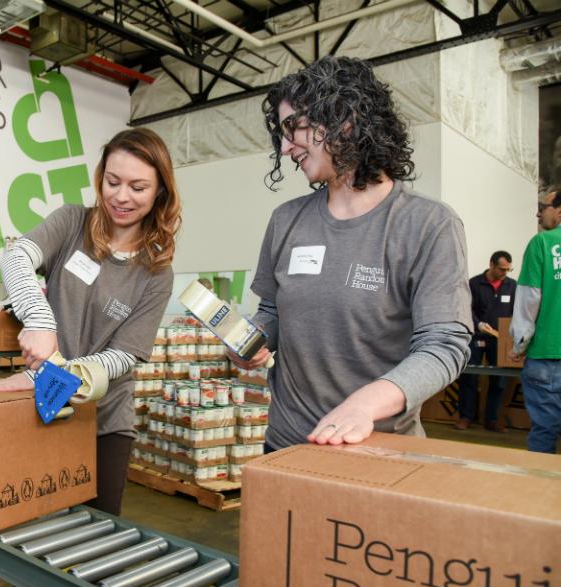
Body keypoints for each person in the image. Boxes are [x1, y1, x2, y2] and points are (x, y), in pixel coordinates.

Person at [0, 127, 180, 587]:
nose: (121, 196)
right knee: (29, 541)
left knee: (100, 553)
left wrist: (77, 374)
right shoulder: (72, 223)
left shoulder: (156, 271)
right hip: (38, 414)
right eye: (113, 180)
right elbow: (18, 258)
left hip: (105, 423)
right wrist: (39, 319)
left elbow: (129, 353)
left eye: (138, 186)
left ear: (160, 192)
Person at [238, 56, 471, 451]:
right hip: (286, 448)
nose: (284, 146)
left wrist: (366, 403)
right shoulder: (286, 220)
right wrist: (253, 340)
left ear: (345, 120)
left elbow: (444, 344)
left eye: (293, 128)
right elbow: (273, 312)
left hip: (377, 451)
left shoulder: (428, 225)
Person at [510, 187, 561, 453]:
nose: (540, 214)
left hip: (547, 354)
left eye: (545, 208)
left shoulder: (542, 243)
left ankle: (541, 491)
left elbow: (529, 299)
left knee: (545, 430)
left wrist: (518, 345)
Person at [454, 251, 516, 432]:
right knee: (469, 377)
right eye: (501, 269)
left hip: (500, 339)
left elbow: (516, 311)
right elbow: (465, 308)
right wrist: (478, 324)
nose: (505, 273)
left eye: (508, 269)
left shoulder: (512, 286)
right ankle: (466, 417)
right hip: (475, 337)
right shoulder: (474, 283)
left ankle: (492, 420)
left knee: (499, 380)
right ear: (491, 265)